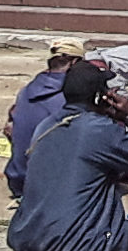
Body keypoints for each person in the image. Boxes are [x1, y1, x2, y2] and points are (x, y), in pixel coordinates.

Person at [7, 60, 128, 251]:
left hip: (30, 246)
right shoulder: (100, 130)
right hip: (83, 248)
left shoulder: (45, 126)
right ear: (100, 97)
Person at [5, 38, 86, 198]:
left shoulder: (26, 91)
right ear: (75, 62)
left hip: (18, 180)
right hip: (50, 188)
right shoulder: (70, 96)